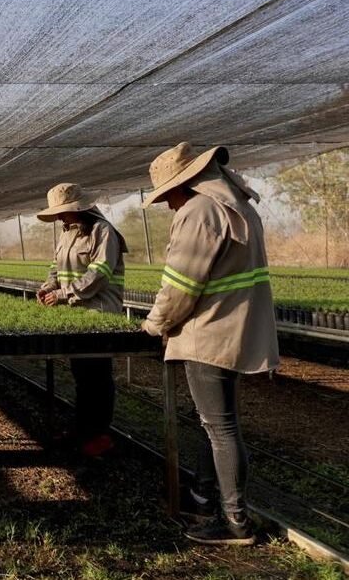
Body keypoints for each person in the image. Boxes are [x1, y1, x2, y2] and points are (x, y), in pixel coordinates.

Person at [140, 143, 279, 546]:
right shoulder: (236, 205)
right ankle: (205, 498)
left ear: (186, 183)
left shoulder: (199, 211)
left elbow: (181, 286)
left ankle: (234, 522)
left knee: (220, 427)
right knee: (216, 424)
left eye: (169, 196)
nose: (168, 206)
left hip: (209, 332)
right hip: (234, 329)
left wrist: (155, 325)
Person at [36, 183, 126, 458]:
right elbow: (56, 267)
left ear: (80, 208)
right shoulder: (67, 234)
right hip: (76, 314)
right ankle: (83, 429)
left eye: (64, 212)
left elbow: (98, 275)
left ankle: (99, 435)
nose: (60, 217)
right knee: (82, 374)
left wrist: (63, 294)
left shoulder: (103, 232)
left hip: (99, 314)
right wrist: (48, 287)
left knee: (97, 375)